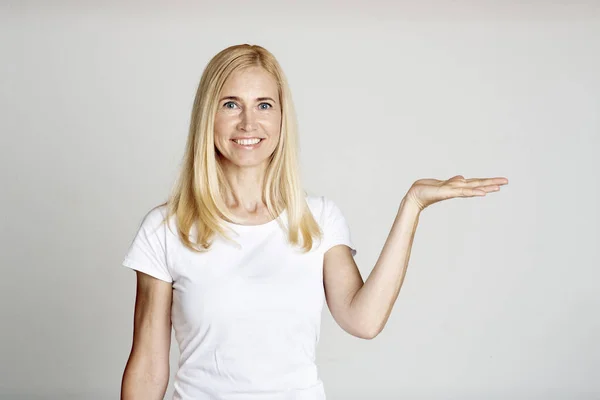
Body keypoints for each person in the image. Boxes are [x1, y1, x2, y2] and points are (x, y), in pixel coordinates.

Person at [119, 44, 509, 400]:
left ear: (282, 118)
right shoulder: (165, 228)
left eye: (264, 105)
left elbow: (364, 320)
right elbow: (149, 369)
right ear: (209, 116)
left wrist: (412, 205)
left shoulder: (317, 219)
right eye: (231, 104)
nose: (248, 123)